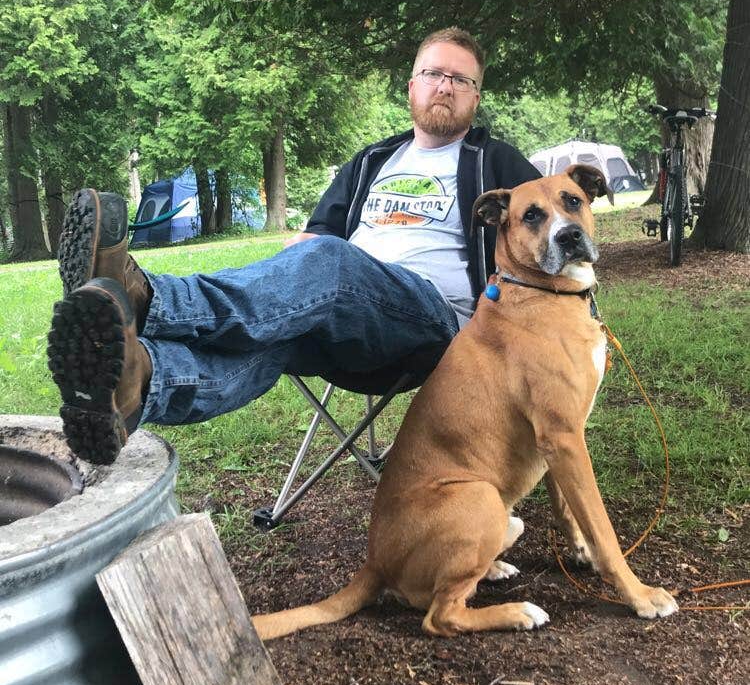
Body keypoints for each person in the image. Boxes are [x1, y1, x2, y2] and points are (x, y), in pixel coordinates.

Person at [47, 28, 539, 464]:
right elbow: (311, 239)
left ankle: (147, 296)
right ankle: (137, 383)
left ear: (476, 98)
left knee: (334, 262)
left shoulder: (494, 161)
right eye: (434, 73)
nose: (445, 85)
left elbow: (556, 230)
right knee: (274, 337)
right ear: (412, 85)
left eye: (462, 79)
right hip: (339, 318)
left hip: (434, 322)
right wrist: (282, 286)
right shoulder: (373, 160)